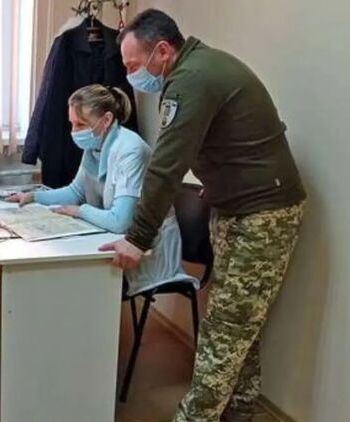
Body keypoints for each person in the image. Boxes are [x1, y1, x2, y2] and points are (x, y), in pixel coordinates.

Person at [100, 9, 306, 422]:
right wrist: (221, 181)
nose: (129, 76)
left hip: (263, 216)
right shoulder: (198, 69)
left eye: (133, 66)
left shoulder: (191, 79)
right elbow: (231, 139)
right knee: (237, 322)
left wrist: (138, 238)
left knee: (226, 329)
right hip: (237, 208)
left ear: (162, 51)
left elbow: (165, 166)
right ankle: (239, 410)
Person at [8, 84, 196, 296]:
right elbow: (75, 192)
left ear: (106, 120)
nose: (74, 132)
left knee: (68, 278)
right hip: (121, 239)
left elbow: (119, 221)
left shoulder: (130, 150)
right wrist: (33, 196)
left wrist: (80, 211)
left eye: (81, 124)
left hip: (149, 251)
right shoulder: (95, 146)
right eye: (72, 124)